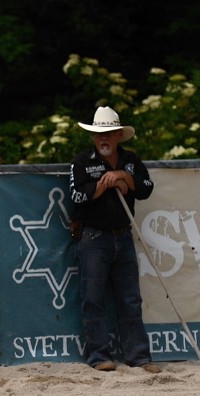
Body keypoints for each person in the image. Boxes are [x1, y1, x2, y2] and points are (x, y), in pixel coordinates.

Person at [68, 106, 160, 373]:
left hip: (123, 235)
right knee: (93, 298)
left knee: (130, 298)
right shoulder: (82, 162)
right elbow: (76, 197)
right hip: (93, 237)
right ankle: (99, 356)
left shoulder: (131, 161)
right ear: (93, 137)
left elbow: (146, 188)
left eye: (108, 133)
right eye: (99, 134)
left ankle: (139, 356)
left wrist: (124, 178)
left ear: (119, 135)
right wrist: (104, 184)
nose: (103, 139)